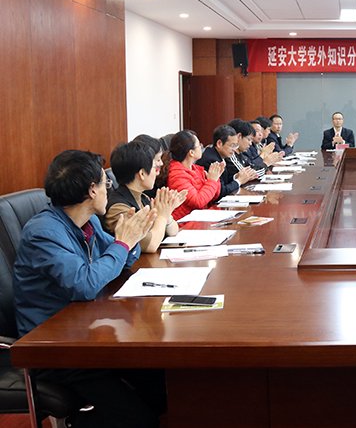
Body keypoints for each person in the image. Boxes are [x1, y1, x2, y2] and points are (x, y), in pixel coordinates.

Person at [14, 149, 166, 428]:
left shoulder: (89, 221)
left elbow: (119, 261)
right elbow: (84, 284)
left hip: (88, 330)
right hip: (55, 347)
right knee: (140, 421)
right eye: (106, 183)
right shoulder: (43, 232)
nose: (110, 189)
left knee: (165, 386)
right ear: (92, 190)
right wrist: (123, 243)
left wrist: (132, 238)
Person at [104, 141, 187, 253]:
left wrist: (166, 213)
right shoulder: (118, 208)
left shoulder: (143, 197)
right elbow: (150, 245)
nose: (157, 173)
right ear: (142, 174)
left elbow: (173, 231)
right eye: (155, 168)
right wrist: (162, 216)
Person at [163, 130, 223, 220]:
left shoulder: (195, 169)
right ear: (191, 152)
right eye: (199, 145)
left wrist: (215, 177)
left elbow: (213, 196)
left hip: (199, 218)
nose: (201, 147)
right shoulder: (177, 175)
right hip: (185, 223)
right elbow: (198, 202)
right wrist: (212, 180)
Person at [197, 124, 259, 196]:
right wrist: (239, 181)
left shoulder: (218, 155)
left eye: (236, 145)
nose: (234, 149)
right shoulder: (212, 161)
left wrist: (236, 177)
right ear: (219, 143)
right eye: (232, 145)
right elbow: (221, 191)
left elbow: (224, 181)